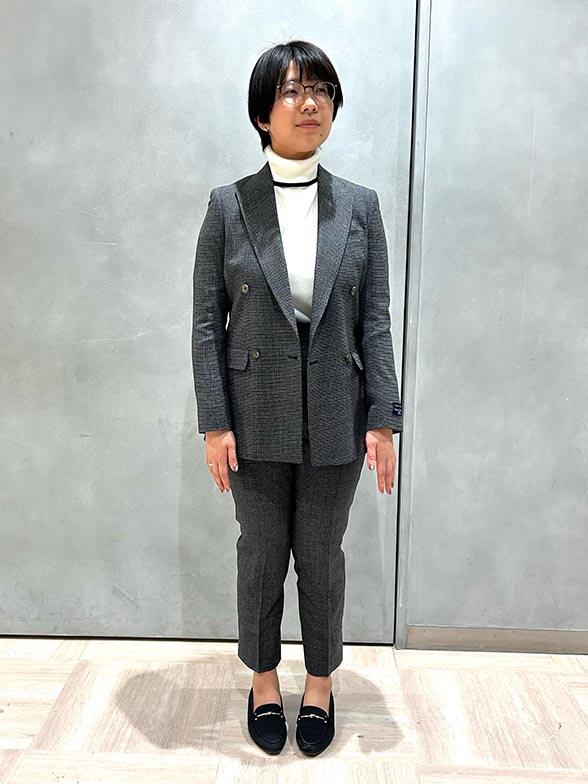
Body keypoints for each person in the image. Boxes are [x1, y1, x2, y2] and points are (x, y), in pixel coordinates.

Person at [191, 40, 403, 756]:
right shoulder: (229, 206)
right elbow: (206, 323)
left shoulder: (361, 207)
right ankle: (261, 679)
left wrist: (384, 417)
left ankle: (318, 683)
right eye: (290, 90)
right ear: (263, 114)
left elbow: (375, 318)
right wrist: (215, 422)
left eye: (320, 90)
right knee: (259, 552)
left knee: (320, 552)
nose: (308, 102)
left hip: (339, 410)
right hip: (253, 416)